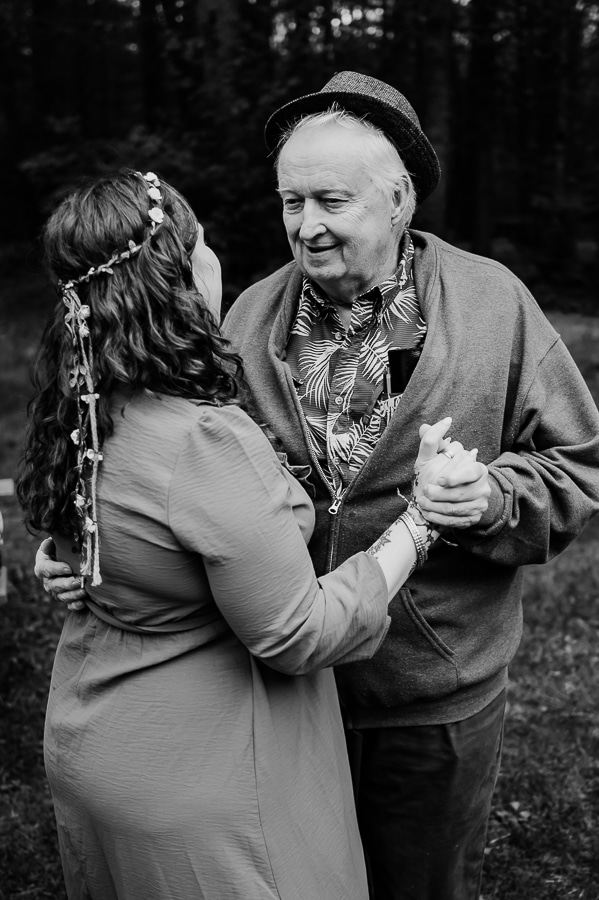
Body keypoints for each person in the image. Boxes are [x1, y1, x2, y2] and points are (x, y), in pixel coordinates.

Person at [35, 74, 599, 899]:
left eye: (331, 200)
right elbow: (166, 480)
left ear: (400, 197)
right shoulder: (241, 319)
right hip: (274, 695)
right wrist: (90, 554)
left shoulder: (493, 307)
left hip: (428, 692)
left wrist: (490, 500)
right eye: (290, 201)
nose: (307, 226)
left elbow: (577, 463)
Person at [17, 168, 472, 900]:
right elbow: (298, 633)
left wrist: (72, 561)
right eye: (204, 243)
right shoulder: (201, 439)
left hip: (96, 744)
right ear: (185, 269)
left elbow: (115, 528)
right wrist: (419, 520)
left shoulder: (82, 407)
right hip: (210, 773)